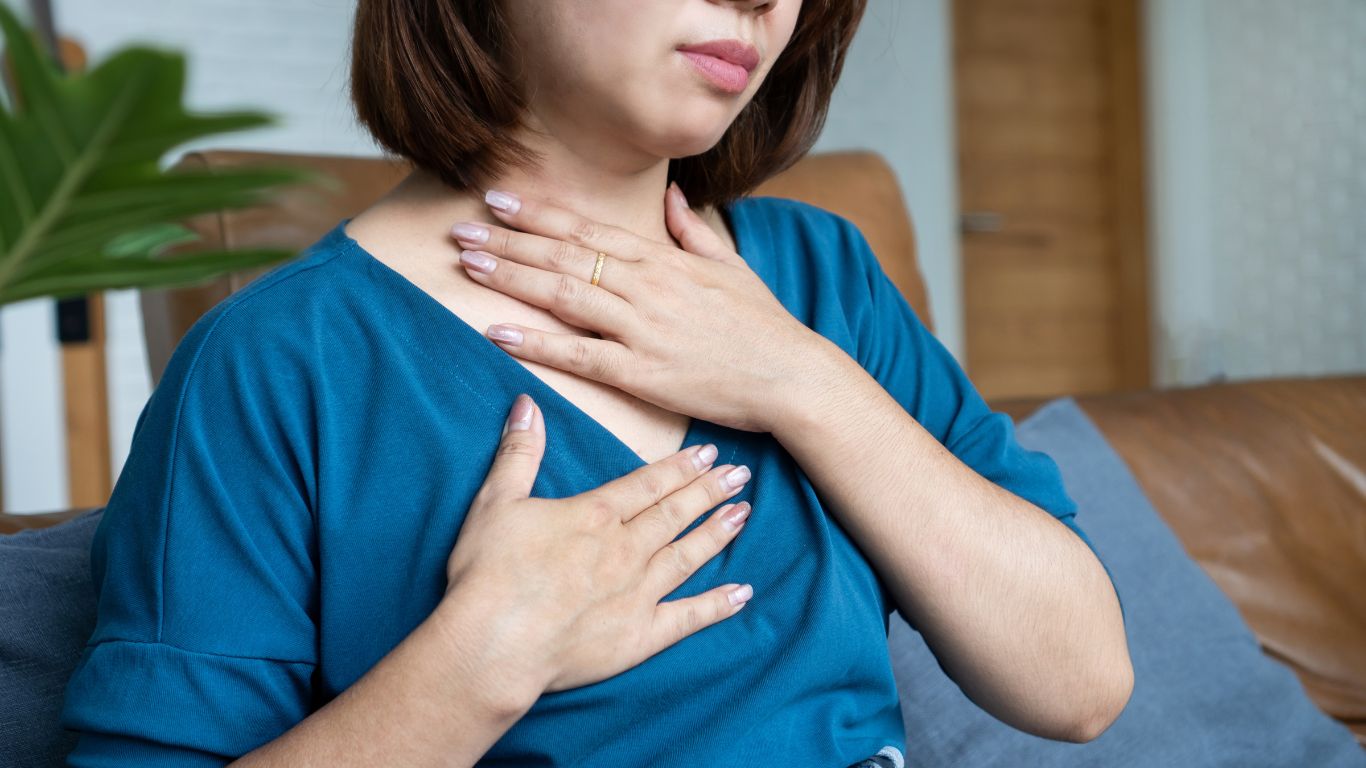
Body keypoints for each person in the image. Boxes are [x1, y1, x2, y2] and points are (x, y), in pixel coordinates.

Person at [59, 0, 1132, 765]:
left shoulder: (821, 282)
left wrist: (799, 381)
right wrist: (483, 658)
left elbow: (1079, 685)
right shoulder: (279, 366)